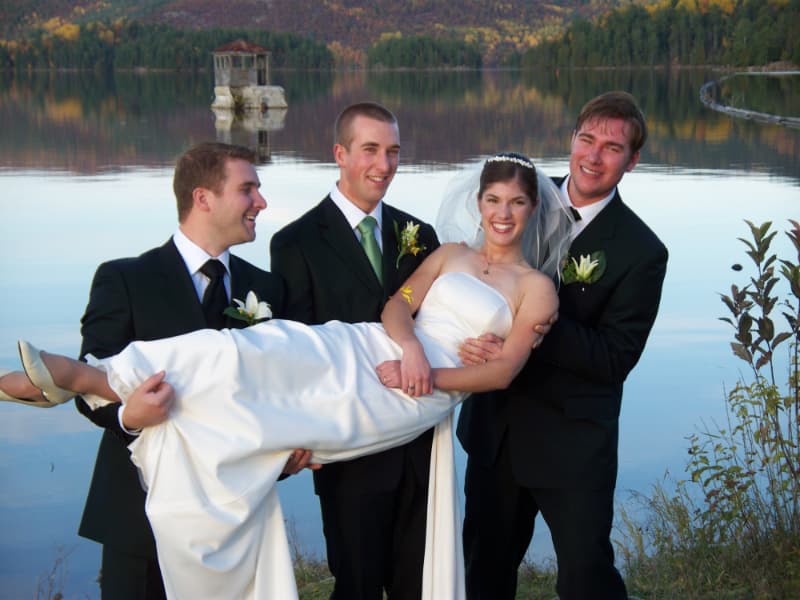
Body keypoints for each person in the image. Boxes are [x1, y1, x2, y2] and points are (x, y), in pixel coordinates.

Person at [1, 153, 568, 600]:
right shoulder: (448, 255)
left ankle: (87, 377)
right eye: (494, 199)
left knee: (293, 393)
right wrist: (410, 345)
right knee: (265, 344)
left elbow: (501, 373)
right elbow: (398, 304)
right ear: (478, 201)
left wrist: (427, 373)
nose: (503, 212)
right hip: (383, 345)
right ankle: (94, 377)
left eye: (517, 202)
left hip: (415, 392)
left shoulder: (537, 290)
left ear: (533, 209)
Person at [5, 142, 311, 600]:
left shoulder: (266, 288)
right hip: (138, 513)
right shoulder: (124, 279)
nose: (261, 202)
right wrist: (129, 416)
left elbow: (280, 392)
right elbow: (94, 384)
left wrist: (283, 457)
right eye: (248, 189)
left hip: (235, 515)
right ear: (203, 198)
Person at [457, 91, 669, 600]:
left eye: (613, 147)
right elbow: (474, 281)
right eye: (587, 139)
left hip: (573, 444)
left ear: (632, 160)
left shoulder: (643, 250)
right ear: (571, 139)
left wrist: (534, 324)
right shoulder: (518, 200)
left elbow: (615, 358)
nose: (594, 157)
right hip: (497, 431)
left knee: (585, 576)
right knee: (483, 570)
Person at [269, 101, 440, 600]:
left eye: (392, 152)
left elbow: (436, 325)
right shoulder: (295, 242)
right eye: (370, 150)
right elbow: (293, 349)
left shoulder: (419, 236)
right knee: (358, 582)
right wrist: (299, 433)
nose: (383, 166)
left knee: (416, 579)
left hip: (418, 435)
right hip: (348, 444)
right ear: (340, 154)